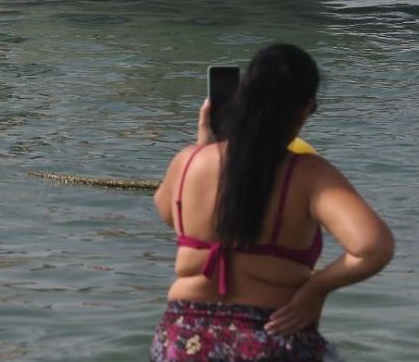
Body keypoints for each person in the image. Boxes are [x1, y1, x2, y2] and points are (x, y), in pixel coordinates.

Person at [150, 44, 394, 361]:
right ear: (304, 110)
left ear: (242, 99)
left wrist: (202, 149)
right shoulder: (310, 174)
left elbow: (171, 214)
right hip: (268, 337)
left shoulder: (187, 162)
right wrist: (316, 289)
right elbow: (374, 248)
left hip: (184, 337)